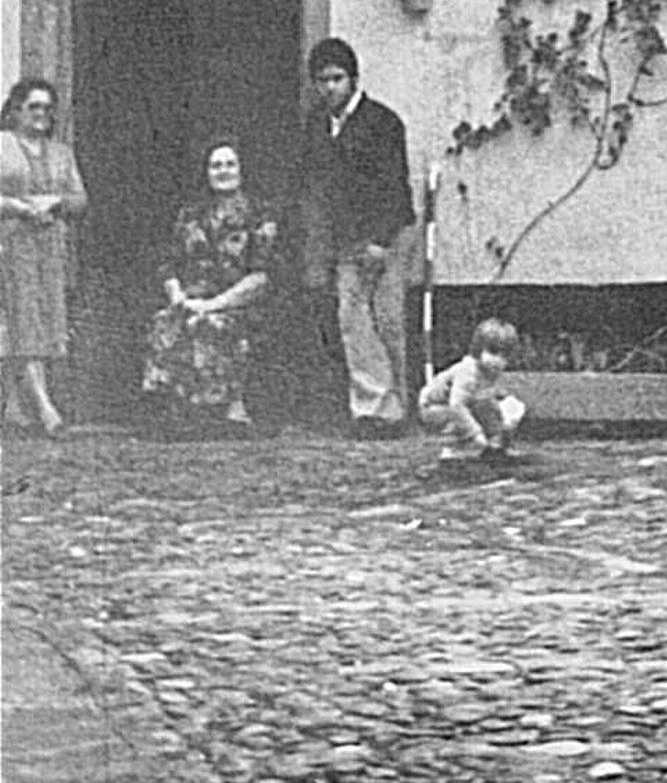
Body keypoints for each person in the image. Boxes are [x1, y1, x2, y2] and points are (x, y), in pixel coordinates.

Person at [300, 38, 415, 435]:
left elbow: (395, 187)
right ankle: (374, 408)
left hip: (387, 234)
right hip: (346, 239)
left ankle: (400, 405)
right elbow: (319, 186)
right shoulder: (317, 125)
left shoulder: (382, 123)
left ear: (353, 79)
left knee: (387, 317)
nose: (329, 87)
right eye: (321, 80)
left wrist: (381, 241)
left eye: (336, 78)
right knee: (353, 321)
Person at [141, 142, 279, 435]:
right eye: (216, 165)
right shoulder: (191, 213)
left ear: (241, 169)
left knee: (210, 323)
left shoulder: (259, 213)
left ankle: (230, 410)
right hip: (191, 299)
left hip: (238, 302)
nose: (223, 171)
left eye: (230, 164)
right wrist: (177, 296)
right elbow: (168, 264)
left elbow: (261, 277)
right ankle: (180, 410)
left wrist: (212, 304)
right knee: (166, 320)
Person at [0, 77, 87, 438]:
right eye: (33, 106)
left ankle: (20, 409)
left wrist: (56, 201)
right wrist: (16, 206)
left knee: (45, 322)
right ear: (16, 110)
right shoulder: (1, 146)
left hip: (49, 250)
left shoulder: (60, 152)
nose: (41, 114)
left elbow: (80, 199)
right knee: (21, 321)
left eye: (47, 108)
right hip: (9, 245)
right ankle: (46, 409)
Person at [417, 317, 529, 465]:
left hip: (459, 406)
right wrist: (475, 433)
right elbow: (457, 405)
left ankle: (493, 446)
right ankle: (453, 450)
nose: (498, 360)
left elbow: (490, 398)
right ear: (478, 349)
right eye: (493, 352)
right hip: (434, 407)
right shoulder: (468, 371)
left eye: (504, 356)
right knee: (473, 410)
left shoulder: (491, 371)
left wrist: (505, 418)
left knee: (497, 406)